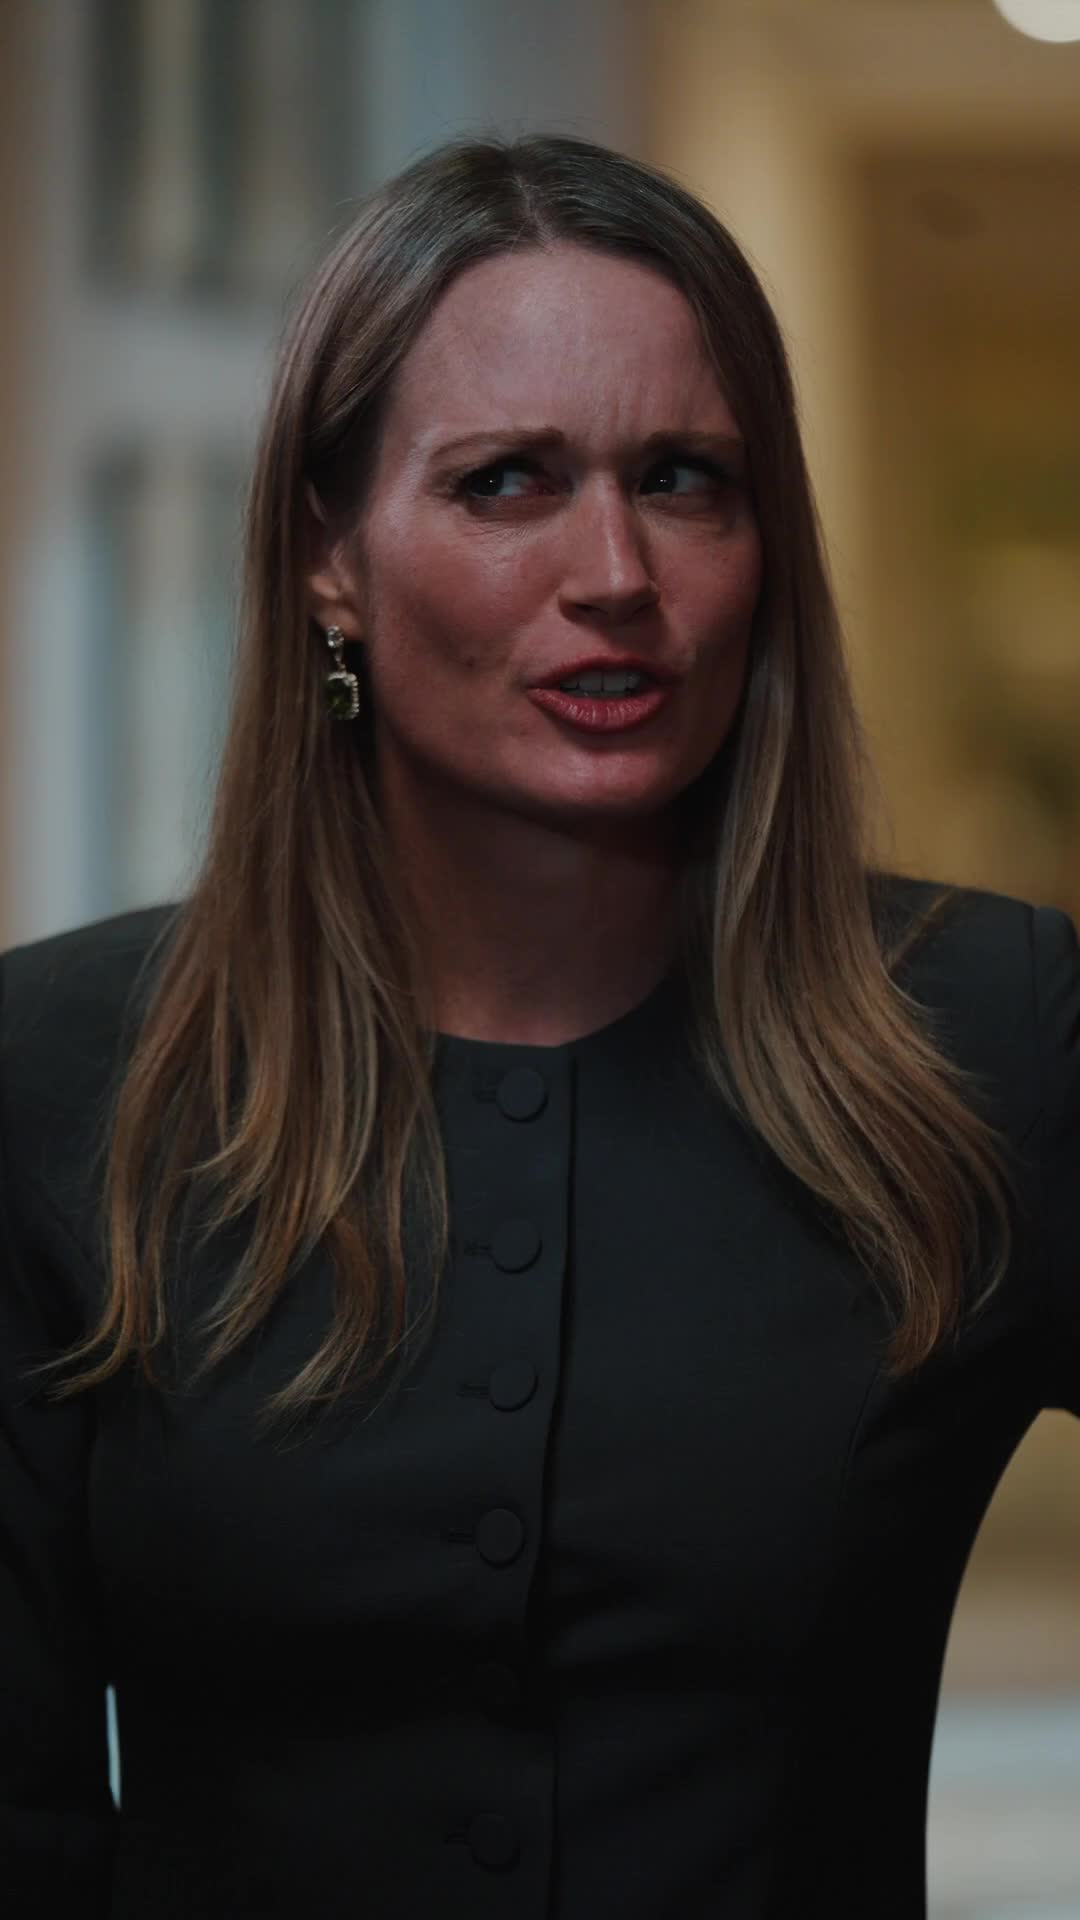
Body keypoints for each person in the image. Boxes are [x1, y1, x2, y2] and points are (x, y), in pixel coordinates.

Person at [1, 131, 1077, 1920]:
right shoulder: (58, 1074)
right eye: (507, 481)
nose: (616, 570)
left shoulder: (983, 1033)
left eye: (684, 480)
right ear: (328, 556)